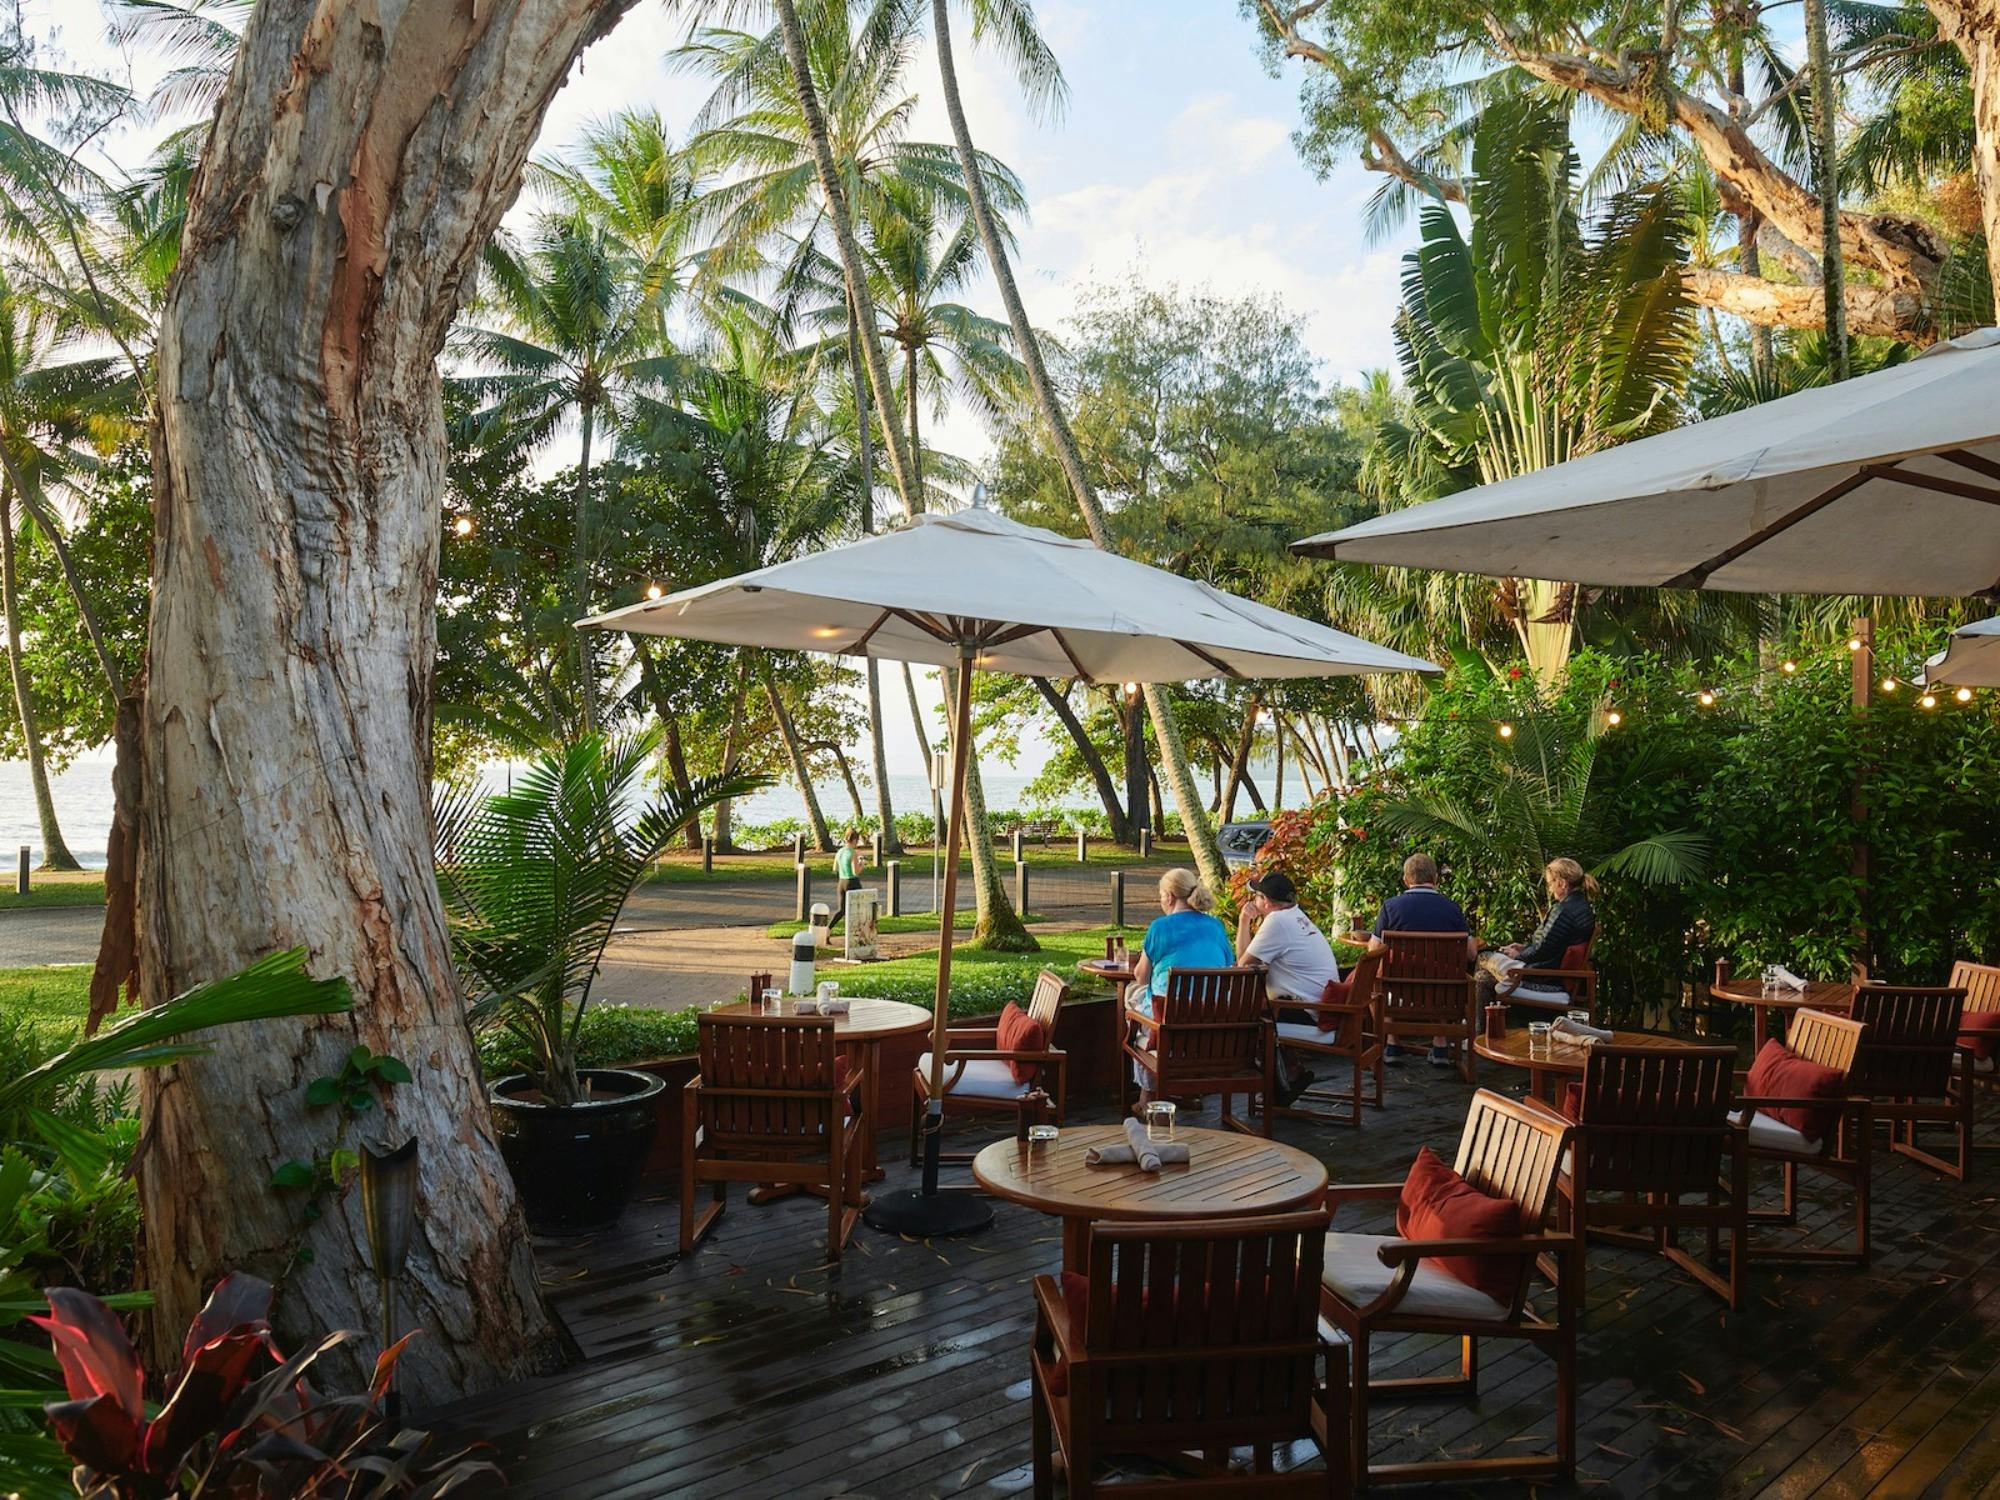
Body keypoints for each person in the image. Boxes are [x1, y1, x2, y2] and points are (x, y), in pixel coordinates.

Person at [1125, 867, 1236, 1108]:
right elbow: (1229, 966)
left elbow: (1141, 977)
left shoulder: (1160, 927)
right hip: (1212, 1024)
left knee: (1132, 998)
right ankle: (1188, 1092)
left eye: (1161, 895)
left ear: (1170, 897)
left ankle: (1146, 1098)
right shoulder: (1216, 927)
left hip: (1170, 1025)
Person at [1236, 870, 1340, 1107]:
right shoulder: (1296, 916)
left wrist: (1244, 921)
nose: (1254, 901)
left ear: (1267, 902)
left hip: (1310, 1013)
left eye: (1258, 896)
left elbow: (1242, 964)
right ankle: (1291, 1071)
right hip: (1321, 1006)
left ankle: (1275, 1087)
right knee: (1266, 1009)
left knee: (1251, 1024)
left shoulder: (1277, 922)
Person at [1369, 852, 1478, 1067]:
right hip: (1445, 993)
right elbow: (1472, 953)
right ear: (1435, 878)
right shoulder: (1452, 909)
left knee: (1382, 976)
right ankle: (1440, 1045)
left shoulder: (1390, 907)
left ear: (1406, 880)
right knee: (1440, 973)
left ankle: (1392, 1043)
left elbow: (1373, 950)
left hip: (1400, 989)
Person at [1476, 856, 1599, 1010]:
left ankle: (1479, 1029)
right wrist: (1523, 948)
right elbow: (1553, 944)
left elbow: (1542, 949)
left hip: (1545, 979)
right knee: (1483, 979)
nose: (1549, 889)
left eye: (1550, 883)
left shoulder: (1563, 911)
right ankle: (1484, 1027)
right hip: (1551, 973)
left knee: (1483, 958)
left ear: (1562, 883)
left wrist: (1517, 955)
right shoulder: (1583, 908)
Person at [827, 827, 868, 933]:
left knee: (842, 910)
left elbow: (835, 868)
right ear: (854, 840)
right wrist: (862, 864)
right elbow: (856, 872)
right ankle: (859, 932)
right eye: (857, 841)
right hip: (852, 882)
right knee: (860, 908)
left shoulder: (840, 852)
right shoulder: (852, 853)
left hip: (842, 882)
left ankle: (828, 929)